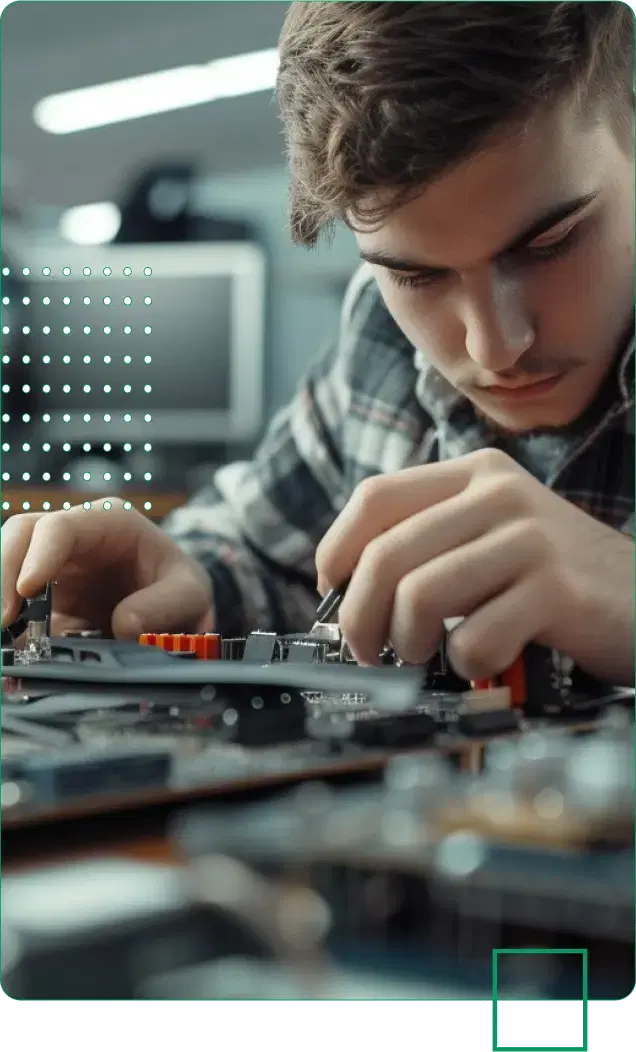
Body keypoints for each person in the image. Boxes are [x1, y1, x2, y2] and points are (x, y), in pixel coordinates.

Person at [2, 2, 633, 686]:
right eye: (414, 274)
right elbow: (267, 560)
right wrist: (175, 588)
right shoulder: (381, 330)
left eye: (550, 243)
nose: (494, 348)